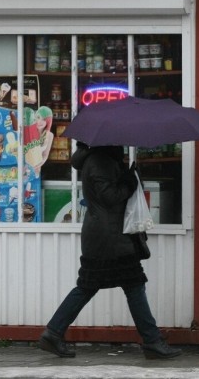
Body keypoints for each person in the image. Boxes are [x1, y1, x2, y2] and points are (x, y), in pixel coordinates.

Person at [38, 142, 181, 360]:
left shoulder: (99, 158)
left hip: (107, 234)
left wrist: (126, 176)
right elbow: (109, 197)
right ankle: (152, 341)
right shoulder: (99, 161)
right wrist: (129, 183)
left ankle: (54, 332)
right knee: (129, 285)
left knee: (98, 286)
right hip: (108, 237)